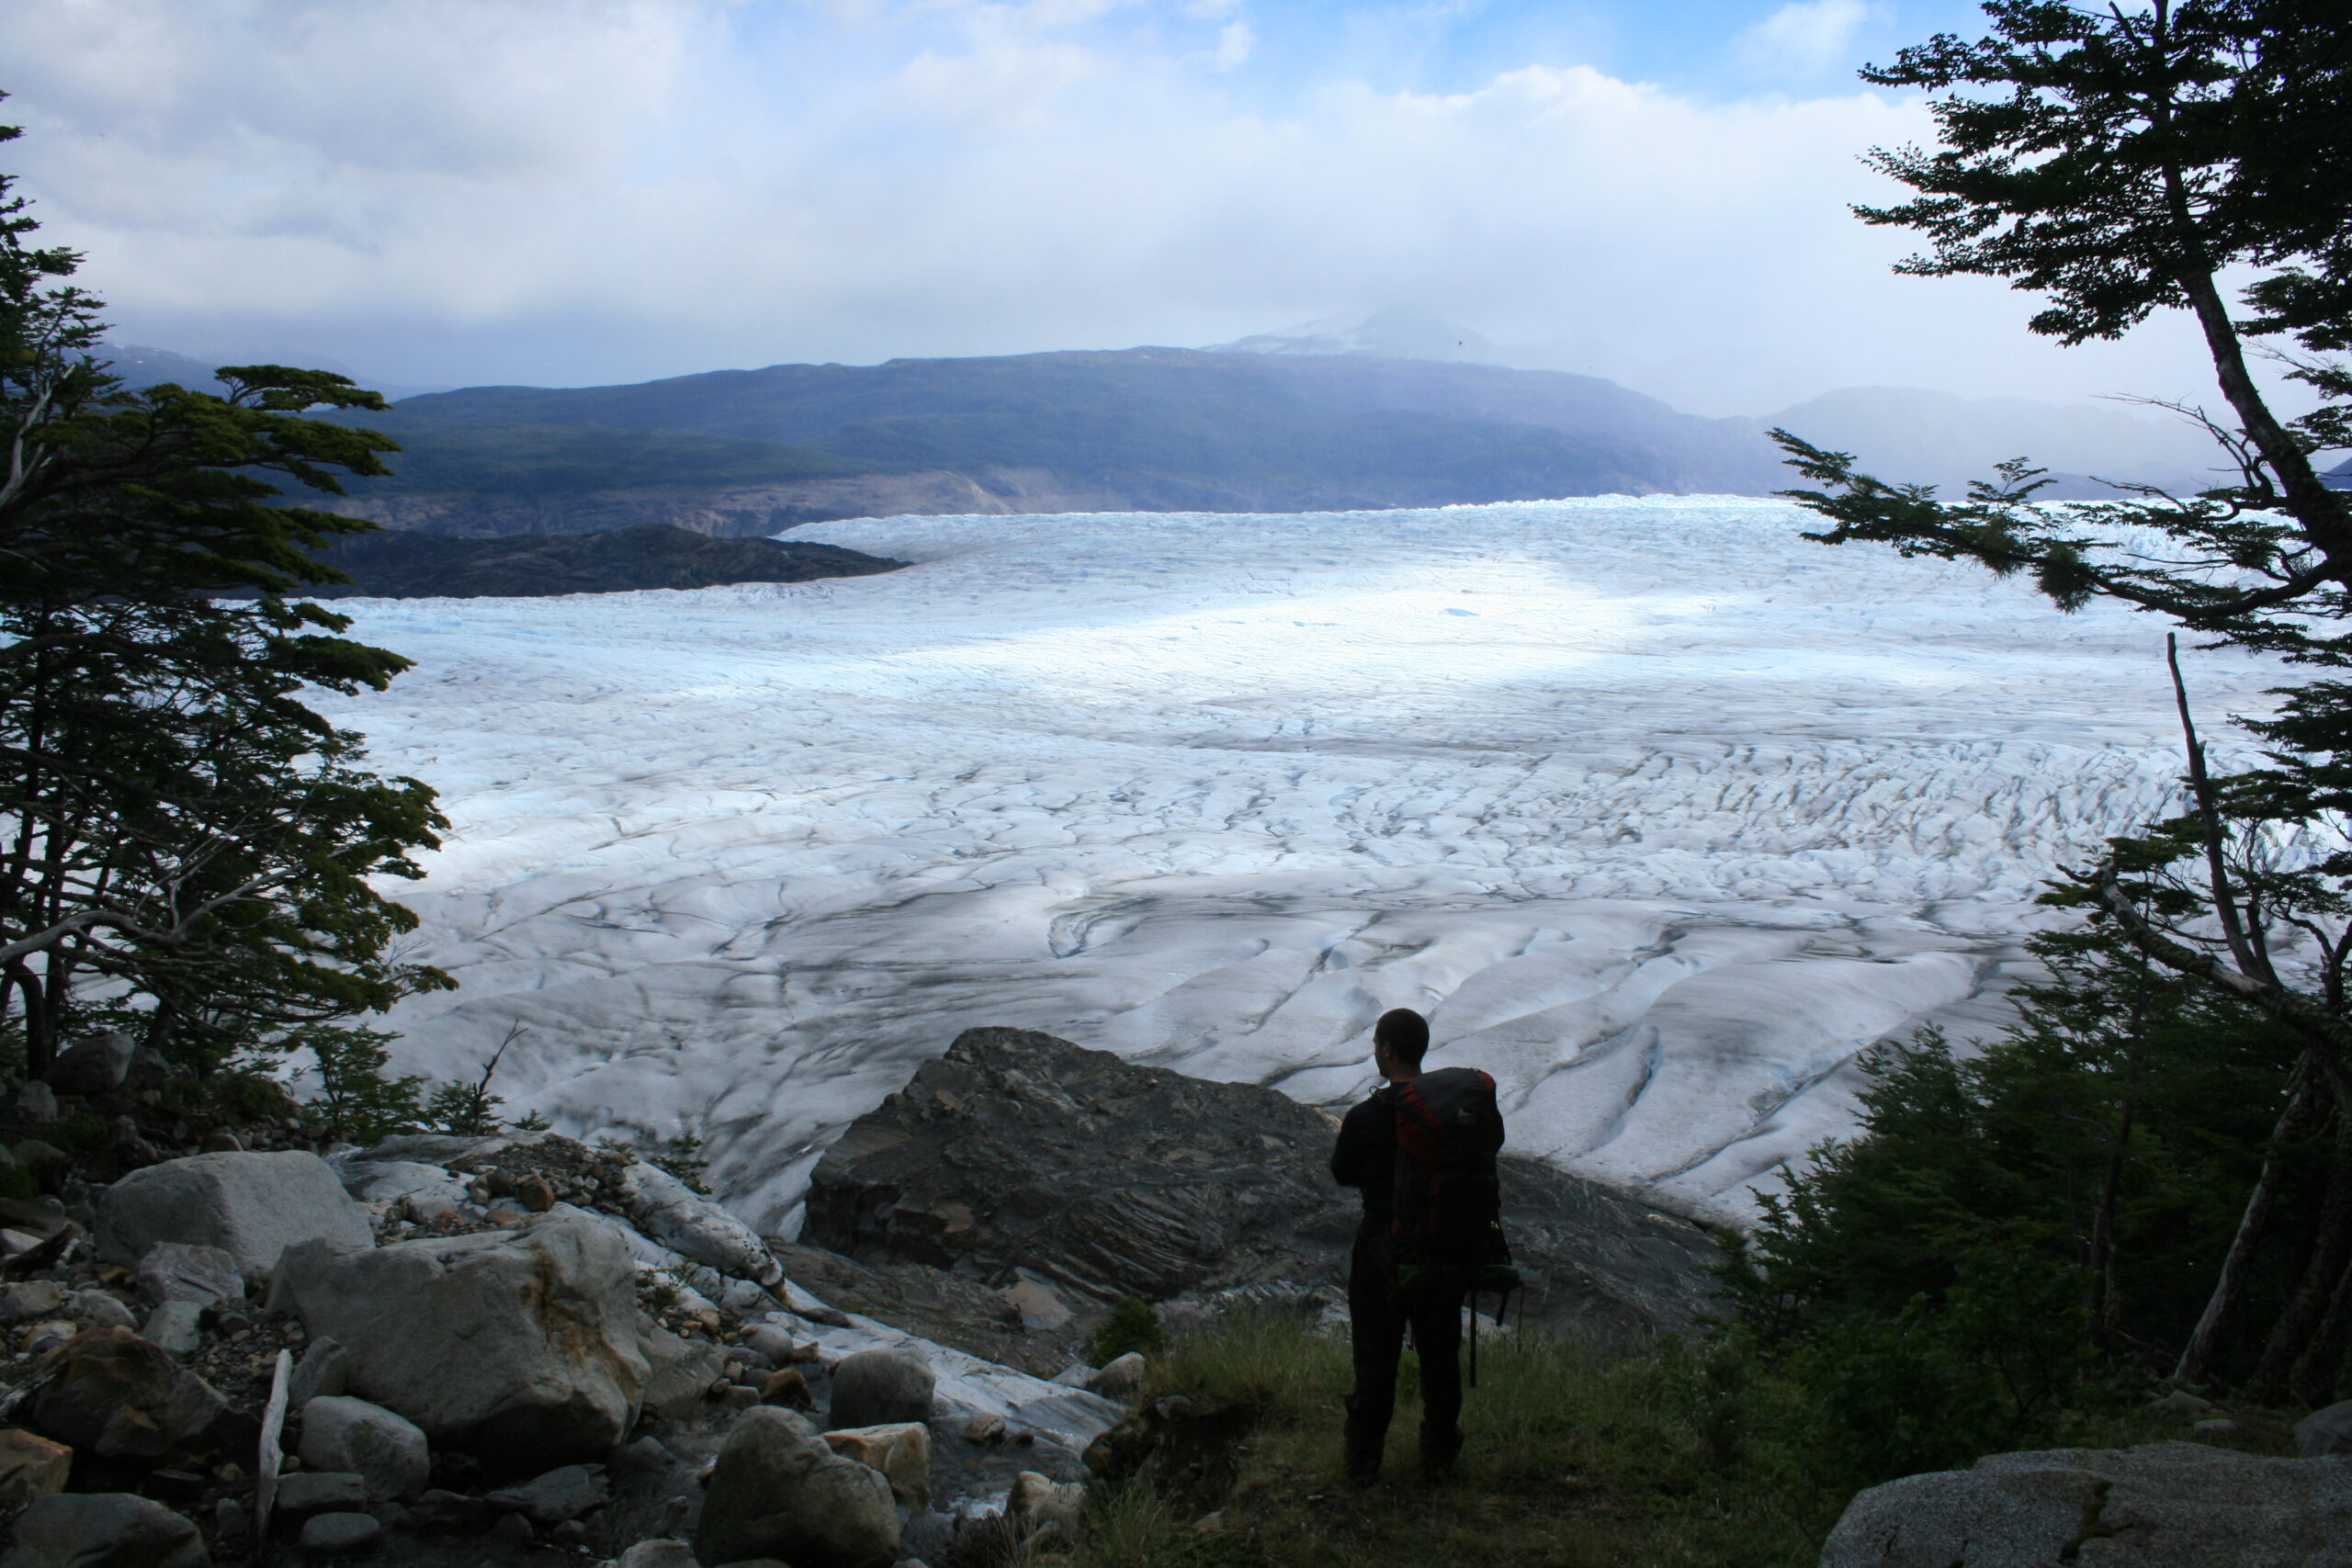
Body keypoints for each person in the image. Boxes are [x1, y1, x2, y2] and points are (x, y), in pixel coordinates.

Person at [1328, 1005, 1500, 1483]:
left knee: (1375, 1363)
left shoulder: (1367, 1116)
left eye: (1376, 1045)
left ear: (1385, 1050)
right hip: (1444, 1253)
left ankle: (1363, 1468)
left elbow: (1344, 1173)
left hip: (1383, 1255)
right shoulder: (1454, 1113)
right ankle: (1440, 1459)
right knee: (1440, 1359)